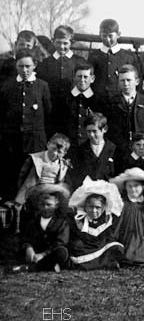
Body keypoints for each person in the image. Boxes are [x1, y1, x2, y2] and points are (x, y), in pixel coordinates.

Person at [0, 49, 52, 198]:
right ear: (16, 66)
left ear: (34, 65)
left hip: (35, 142)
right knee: (12, 177)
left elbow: (48, 114)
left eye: (28, 66)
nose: (24, 70)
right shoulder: (7, 87)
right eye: (21, 66)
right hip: (12, 142)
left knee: (33, 180)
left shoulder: (42, 86)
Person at [68, 177, 125, 270]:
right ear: (85, 207)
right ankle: (103, 264)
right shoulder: (81, 220)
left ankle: (100, 263)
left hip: (101, 246)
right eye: (90, 207)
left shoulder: (107, 220)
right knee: (76, 245)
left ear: (103, 208)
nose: (94, 211)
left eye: (97, 207)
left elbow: (109, 237)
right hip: (86, 248)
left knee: (116, 247)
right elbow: (79, 236)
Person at [110, 167, 144, 266]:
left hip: (143, 235)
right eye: (130, 186)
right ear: (125, 187)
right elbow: (117, 226)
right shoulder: (122, 203)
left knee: (143, 252)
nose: (133, 189)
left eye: (136, 186)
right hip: (127, 235)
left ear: (143, 186)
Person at [39, 26, 87, 124]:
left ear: (71, 42)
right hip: (50, 111)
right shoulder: (45, 63)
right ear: (53, 41)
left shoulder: (79, 62)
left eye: (65, 43)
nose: (61, 46)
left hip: (73, 112)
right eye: (58, 42)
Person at [105, 64, 144, 159]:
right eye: (122, 80)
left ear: (137, 81)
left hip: (141, 151)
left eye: (129, 80)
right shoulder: (111, 103)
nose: (126, 84)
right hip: (119, 152)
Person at [18, 183, 71, 272]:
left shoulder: (61, 222)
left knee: (62, 252)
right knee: (19, 248)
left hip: (50, 252)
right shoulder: (33, 221)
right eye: (42, 204)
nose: (45, 208)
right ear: (37, 204)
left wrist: (43, 254)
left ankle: (34, 267)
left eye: (48, 205)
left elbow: (61, 242)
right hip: (36, 251)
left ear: (56, 205)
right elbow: (26, 237)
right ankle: (49, 266)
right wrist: (28, 247)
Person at [52, 62, 104, 148]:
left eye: (85, 77)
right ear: (74, 78)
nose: (82, 80)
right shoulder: (64, 99)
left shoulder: (99, 100)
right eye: (79, 76)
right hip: (69, 145)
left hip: (91, 145)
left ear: (92, 79)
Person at [15, 133, 72, 206]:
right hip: (36, 191)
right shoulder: (36, 159)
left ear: (64, 153)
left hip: (54, 193)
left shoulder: (63, 164)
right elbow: (24, 180)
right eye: (53, 148)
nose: (55, 153)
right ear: (48, 144)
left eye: (59, 152)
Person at [88, 19, 139, 99]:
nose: (107, 39)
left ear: (118, 34)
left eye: (110, 36)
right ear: (100, 35)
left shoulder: (128, 57)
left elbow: (136, 81)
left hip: (121, 102)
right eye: (104, 36)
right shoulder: (94, 56)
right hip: (98, 101)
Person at [68, 113, 116, 190]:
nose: (91, 135)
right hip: (87, 191)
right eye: (88, 131)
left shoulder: (114, 149)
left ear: (105, 129)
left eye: (94, 131)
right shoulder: (80, 150)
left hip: (108, 190)